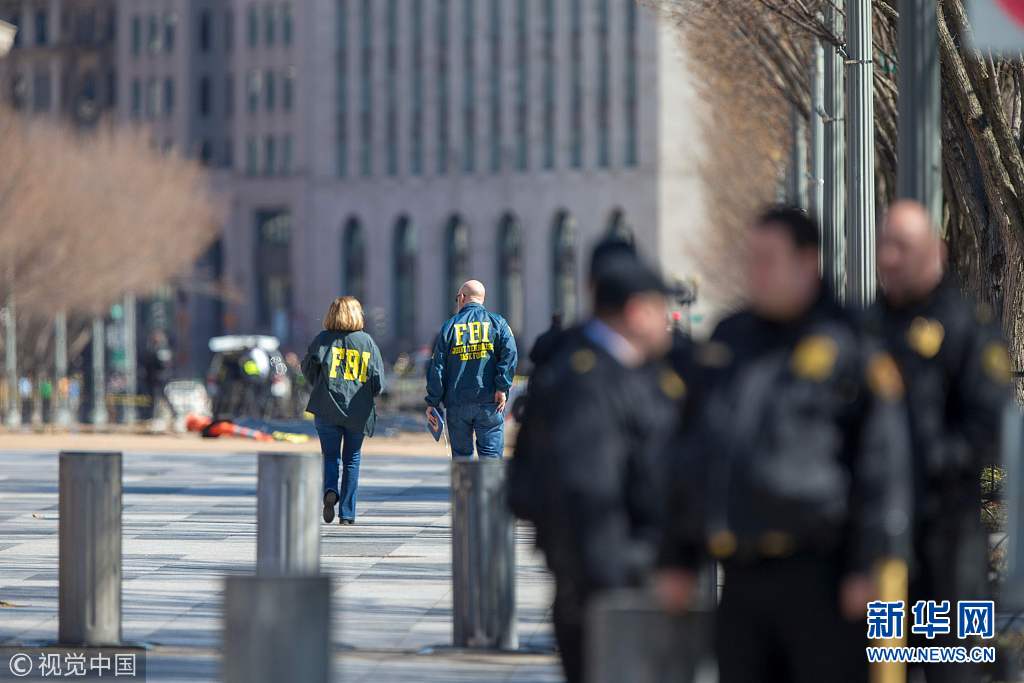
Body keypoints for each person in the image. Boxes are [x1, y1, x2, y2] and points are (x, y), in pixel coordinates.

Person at [655, 206, 912, 683]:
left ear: (807, 262)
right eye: (752, 259)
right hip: (741, 576)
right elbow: (695, 452)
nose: (756, 272)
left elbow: (883, 464)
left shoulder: (850, 342)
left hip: (822, 576)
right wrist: (677, 557)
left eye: (768, 260)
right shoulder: (730, 341)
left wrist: (870, 563)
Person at [510, 255, 682, 683]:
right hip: (609, 588)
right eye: (660, 308)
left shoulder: (624, 368)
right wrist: (627, 575)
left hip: (608, 579)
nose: (666, 321)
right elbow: (589, 493)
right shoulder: (590, 382)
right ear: (636, 311)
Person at [867, 200, 1011, 683]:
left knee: (959, 668)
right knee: (882, 670)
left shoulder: (968, 326)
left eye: (903, 247)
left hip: (953, 538)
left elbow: (989, 426)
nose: (890, 258)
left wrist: (928, 461)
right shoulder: (867, 329)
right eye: (885, 245)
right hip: (881, 544)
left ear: (937, 251)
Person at [302, 296, 385, 525]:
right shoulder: (367, 342)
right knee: (352, 459)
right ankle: (347, 514)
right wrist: (368, 393)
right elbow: (378, 380)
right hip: (358, 411)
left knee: (330, 455)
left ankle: (330, 490)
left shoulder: (323, 339)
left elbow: (307, 368)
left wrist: (319, 383)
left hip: (326, 407)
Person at [424, 279, 518, 459]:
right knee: (490, 457)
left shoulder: (449, 327)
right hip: (490, 401)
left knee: (462, 458)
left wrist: (433, 401)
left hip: (457, 402)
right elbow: (510, 354)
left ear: (462, 297)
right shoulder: (498, 323)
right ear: (482, 299)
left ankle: (465, 479)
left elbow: (437, 367)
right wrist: (501, 387)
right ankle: (489, 480)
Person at [142, 330, 174, 422]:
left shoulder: (163, 349)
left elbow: (164, 364)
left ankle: (173, 414)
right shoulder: (151, 348)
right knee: (152, 397)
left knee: (163, 396)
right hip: (152, 378)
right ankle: (151, 416)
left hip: (161, 378)